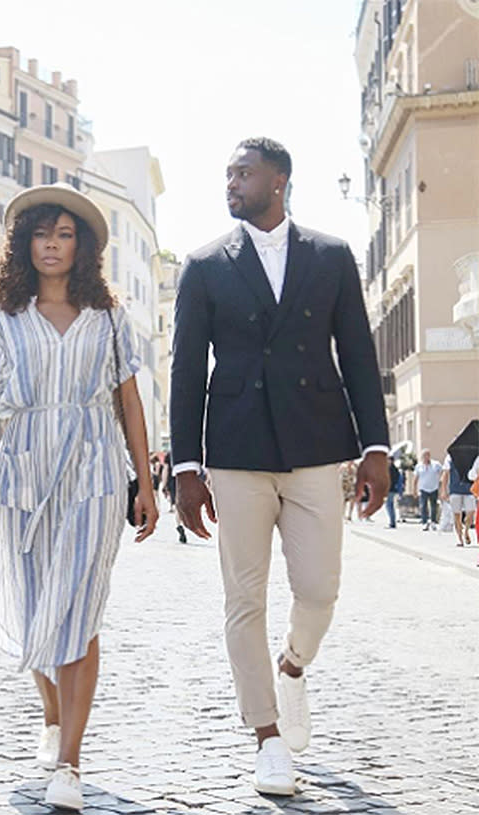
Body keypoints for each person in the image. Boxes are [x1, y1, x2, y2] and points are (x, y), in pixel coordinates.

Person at [170, 138, 390, 796]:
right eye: (228, 173)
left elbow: (356, 351)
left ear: (280, 180)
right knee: (243, 599)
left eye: (243, 172)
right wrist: (185, 464)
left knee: (320, 587)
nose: (231, 182)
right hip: (235, 451)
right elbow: (187, 369)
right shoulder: (204, 264)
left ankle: (293, 664)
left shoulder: (331, 255)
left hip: (317, 443)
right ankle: (266, 738)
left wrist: (375, 445)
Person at [0, 183, 158, 812]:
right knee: (33, 611)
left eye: (65, 233)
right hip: (23, 469)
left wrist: (144, 482)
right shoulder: (2, 318)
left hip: (94, 471)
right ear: (25, 244)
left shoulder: (109, 317)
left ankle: (69, 762)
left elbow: (129, 401)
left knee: (79, 610)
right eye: (43, 233)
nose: (53, 244)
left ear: (83, 246)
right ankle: (51, 714)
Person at [441, 453, 476, 546]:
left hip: (469, 489)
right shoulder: (449, 458)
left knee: (471, 512)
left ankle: (466, 530)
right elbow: (445, 474)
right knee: (456, 515)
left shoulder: (472, 456)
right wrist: (444, 490)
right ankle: (460, 538)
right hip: (455, 489)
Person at [413, 449, 442, 531]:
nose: (426, 457)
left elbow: (443, 472)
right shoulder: (419, 466)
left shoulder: (436, 465)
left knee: (433, 506)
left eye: (427, 455)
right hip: (423, 489)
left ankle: (433, 522)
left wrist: (441, 484)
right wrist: (414, 490)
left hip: (434, 488)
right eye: (424, 456)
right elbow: (415, 479)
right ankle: (424, 522)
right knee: (423, 506)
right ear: (422, 457)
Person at [386, 456, 402, 528]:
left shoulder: (391, 469)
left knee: (389, 505)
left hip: (390, 489)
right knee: (390, 505)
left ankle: (392, 522)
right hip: (392, 489)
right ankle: (392, 521)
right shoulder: (394, 469)